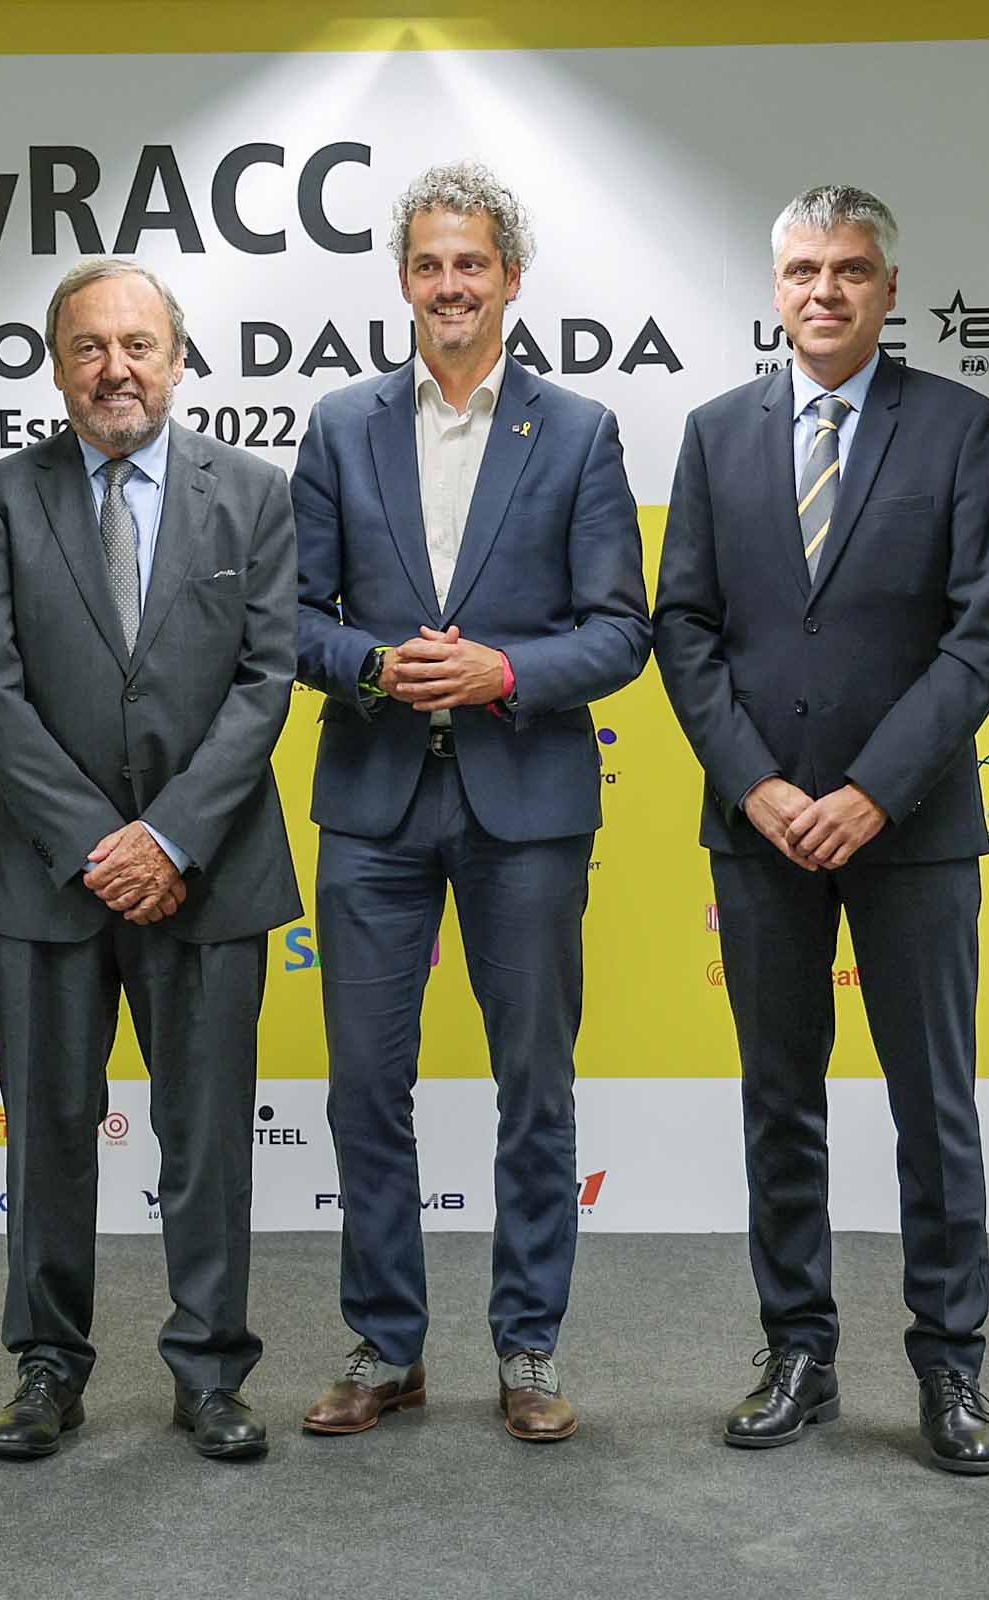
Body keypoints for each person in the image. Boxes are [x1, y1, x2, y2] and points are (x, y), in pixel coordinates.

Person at [655, 185, 989, 1474]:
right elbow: (683, 627)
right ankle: (795, 1352)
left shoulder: (960, 427)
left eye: (850, 269)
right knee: (778, 1100)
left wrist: (870, 790)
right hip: (758, 830)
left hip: (911, 829)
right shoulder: (714, 433)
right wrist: (755, 785)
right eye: (804, 269)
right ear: (775, 289)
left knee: (934, 1103)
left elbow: (979, 636)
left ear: (887, 288)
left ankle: (950, 1366)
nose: (824, 290)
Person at [291, 161, 650, 1443]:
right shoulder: (338, 425)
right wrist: (373, 664)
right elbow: (290, 618)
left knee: (533, 1086)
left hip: (527, 806)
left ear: (510, 278)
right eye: (429, 264)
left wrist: (503, 671)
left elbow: (620, 630)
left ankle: (527, 1345)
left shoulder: (578, 432)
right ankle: (386, 1344)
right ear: (402, 281)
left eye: (472, 264)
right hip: (373, 803)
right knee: (361, 1088)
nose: (451, 285)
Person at [0, 258, 300, 1462]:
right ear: (56, 367)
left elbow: (265, 682)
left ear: (178, 359)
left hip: (209, 869)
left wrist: (168, 836)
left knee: (204, 1139)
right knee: (48, 1132)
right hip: (41, 875)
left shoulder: (252, 494)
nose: (115, 370)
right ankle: (46, 1366)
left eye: (138, 345)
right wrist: (95, 842)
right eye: (89, 348)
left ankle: (209, 1369)